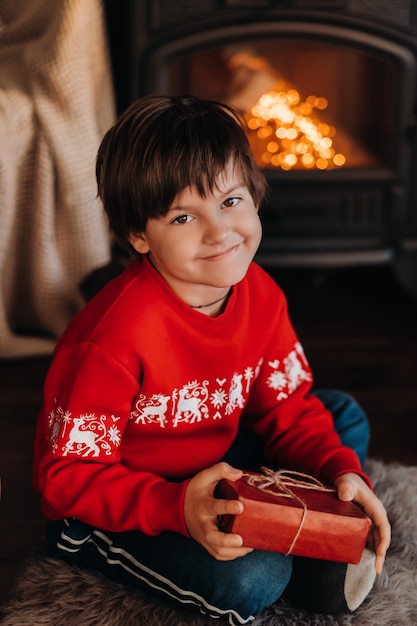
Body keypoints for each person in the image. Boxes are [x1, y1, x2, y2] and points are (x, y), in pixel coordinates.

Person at [33, 95, 391, 625]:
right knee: (254, 578)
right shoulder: (111, 339)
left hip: (215, 460)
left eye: (230, 201)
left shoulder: (262, 293)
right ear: (138, 235)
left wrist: (340, 472)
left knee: (341, 416)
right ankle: (308, 559)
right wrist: (175, 508)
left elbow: (288, 408)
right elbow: (66, 475)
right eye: (183, 216)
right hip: (128, 496)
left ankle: (310, 538)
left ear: (255, 196)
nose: (220, 232)